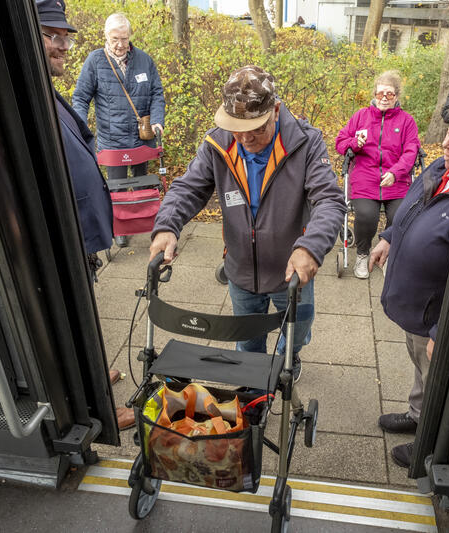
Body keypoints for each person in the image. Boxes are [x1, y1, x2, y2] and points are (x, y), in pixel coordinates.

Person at [149, 65, 345, 383]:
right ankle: (251, 380)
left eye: (256, 128)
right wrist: (167, 226)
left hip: (291, 268)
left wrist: (311, 248)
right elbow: (188, 188)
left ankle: (288, 355)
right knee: (247, 340)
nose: (245, 138)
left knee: (297, 328)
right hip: (241, 268)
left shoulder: (307, 143)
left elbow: (330, 201)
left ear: (276, 110)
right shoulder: (218, 143)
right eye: (237, 129)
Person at [370, 89, 449, 469]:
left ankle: (430, 444)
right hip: (413, 309)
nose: (447, 144)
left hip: (434, 317)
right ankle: (417, 414)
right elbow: (412, 207)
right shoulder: (441, 170)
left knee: (437, 379)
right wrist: (390, 237)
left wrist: (441, 330)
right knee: (419, 365)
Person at [36, 0, 132, 429]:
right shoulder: (22, 91)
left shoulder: (41, 86)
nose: (63, 46)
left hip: (77, 234)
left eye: (66, 37)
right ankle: (93, 409)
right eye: (52, 35)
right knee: (67, 321)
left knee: (85, 309)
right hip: (55, 236)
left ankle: (92, 375)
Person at [72, 13, 166, 247]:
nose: (120, 44)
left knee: (143, 183)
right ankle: (120, 226)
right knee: (116, 188)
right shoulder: (94, 61)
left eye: (124, 38)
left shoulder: (144, 60)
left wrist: (157, 120)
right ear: (106, 36)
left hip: (142, 137)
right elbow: (81, 98)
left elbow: (157, 93)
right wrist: (80, 127)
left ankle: (145, 221)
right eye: (115, 38)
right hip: (112, 139)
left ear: (130, 36)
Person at [335, 70, 420, 279]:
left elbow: (411, 151)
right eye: (380, 92)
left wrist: (396, 172)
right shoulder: (360, 117)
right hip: (365, 178)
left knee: (399, 214)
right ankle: (363, 253)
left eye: (389, 94)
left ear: (396, 96)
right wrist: (355, 144)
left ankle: (387, 254)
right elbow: (340, 143)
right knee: (366, 214)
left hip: (396, 180)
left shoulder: (407, 121)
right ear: (374, 93)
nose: (384, 97)